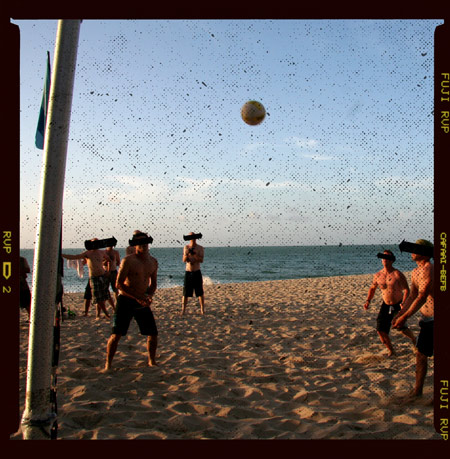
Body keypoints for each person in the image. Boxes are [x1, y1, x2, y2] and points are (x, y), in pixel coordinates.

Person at [104, 231, 159, 370]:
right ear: (135, 245)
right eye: (140, 242)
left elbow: (153, 284)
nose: (144, 245)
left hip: (142, 301)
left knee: (152, 333)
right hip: (126, 300)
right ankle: (108, 364)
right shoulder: (128, 261)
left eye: (145, 242)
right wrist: (138, 297)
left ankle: (151, 361)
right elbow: (119, 284)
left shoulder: (153, 262)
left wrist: (149, 296)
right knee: (116, 334)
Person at [392, 239, 434, 398]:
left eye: (415, 249)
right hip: (427, 320)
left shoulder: (429, 269)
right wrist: (400, 314)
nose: (412, 252)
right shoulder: (416, 272)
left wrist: (406, 317)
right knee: (421, 355)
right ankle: (418, 392)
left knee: (424, 354)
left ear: (424, 253)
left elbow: (423, 297)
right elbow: (412, 296)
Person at [364, 249, 415, 356]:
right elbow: (372, 288)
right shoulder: (378, 275)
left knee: (400, 327)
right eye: (383, 257)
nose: (385, 260)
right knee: (380, 330)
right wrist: (368, 301)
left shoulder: (397, 274)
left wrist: (404, 303)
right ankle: (391, 351)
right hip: (386, 305)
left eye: (387, 258)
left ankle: (414, 339)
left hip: (398, 304)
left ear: (392, 260)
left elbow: (406, 289)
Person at [62, 239, 112, 319]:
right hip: (93, 277)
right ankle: (106, 313)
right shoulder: (88, 253)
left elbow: (109, 260)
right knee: (97, 297)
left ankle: (100, 314)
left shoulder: (101, 252)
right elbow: (75, 257)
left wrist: (108, 271)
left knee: (103, 296)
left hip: (102, 275)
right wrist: (62, 255)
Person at [181, 232, 205, 315]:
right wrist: (187, 254)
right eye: (191, 237)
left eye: (194, 237)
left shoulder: (200, 248)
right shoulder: (186, 247)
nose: (192, 239)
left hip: (196, 271)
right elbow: (183, 260)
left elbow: (201, 260)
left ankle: (202, 309)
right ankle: (183, 310)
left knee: (200, 292)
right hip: (188, 271)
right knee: (185, 292)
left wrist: (195, 255)